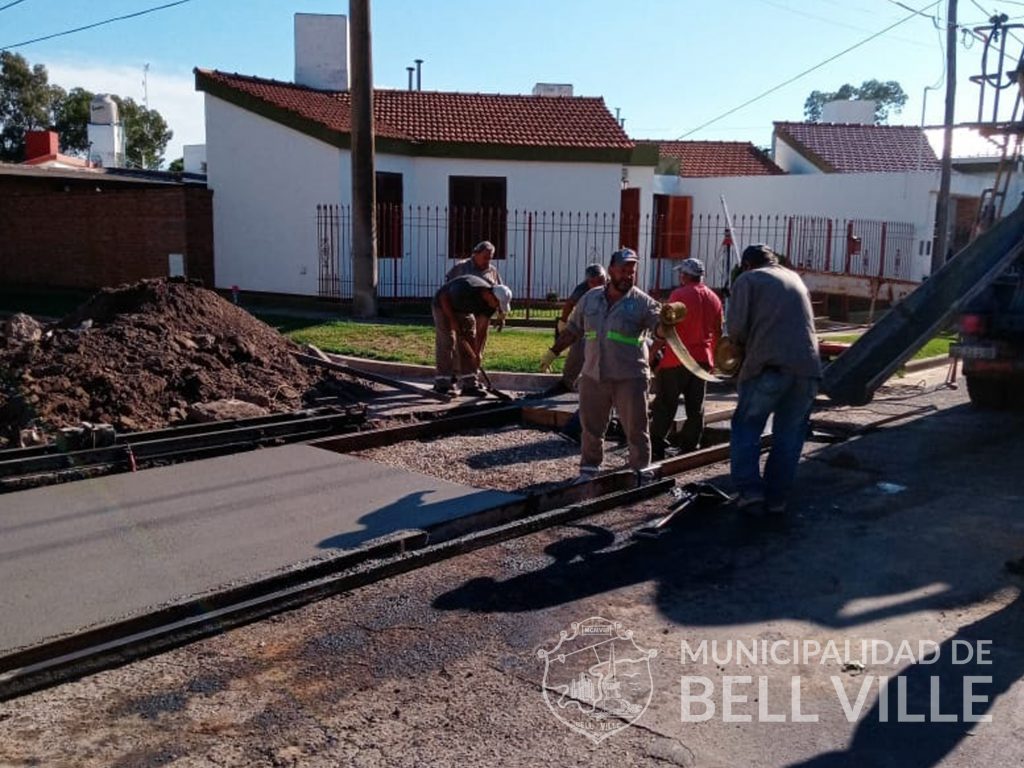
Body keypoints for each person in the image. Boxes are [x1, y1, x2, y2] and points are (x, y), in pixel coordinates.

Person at [540, 247, 663, 484]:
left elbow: (659, 327)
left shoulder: (642, 302)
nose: (628, 275)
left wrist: (665, 324)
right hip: (594, 375)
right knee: (591, 427)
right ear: (611, 270)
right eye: (624, 270)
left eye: (632, 271)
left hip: (630, 376)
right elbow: (574, 329)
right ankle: (589, 469)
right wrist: (552, 352)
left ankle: (640, 470)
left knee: (636, 428)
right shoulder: (591, 298)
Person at [727, 243, 821, 515]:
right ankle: (777, 497)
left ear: (747, 264)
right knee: (789, 436)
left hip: (769, 367)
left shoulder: (749, 279)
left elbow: (736, 330)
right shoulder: (794, 278)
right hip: (808, 370)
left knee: (747, 426)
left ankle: (750, 491)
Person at [649, 257, 723, 460]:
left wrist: (652, 353)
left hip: (677, 359)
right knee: (696, 406)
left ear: (685, 275)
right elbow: (718, 331)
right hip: (702, 361)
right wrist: (715, 361)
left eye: (681, 273)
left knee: (666, 404)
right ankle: (690, 446)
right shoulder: (714, 298)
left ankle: (656, 445)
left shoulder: (679, 295)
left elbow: (666, 329)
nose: (679, 275)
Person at [432, 275, 512, 396]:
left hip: (463, 309)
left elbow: (482, 330)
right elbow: (444, 298)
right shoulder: (466, 289)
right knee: (447, 341)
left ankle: (470, 384)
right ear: (491, 295)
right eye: (497, 303)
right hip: (443, 305)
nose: (497, 307)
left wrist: (478, 352)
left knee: (469, 340)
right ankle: (442, 383)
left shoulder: (490, 305)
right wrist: (453, 320)